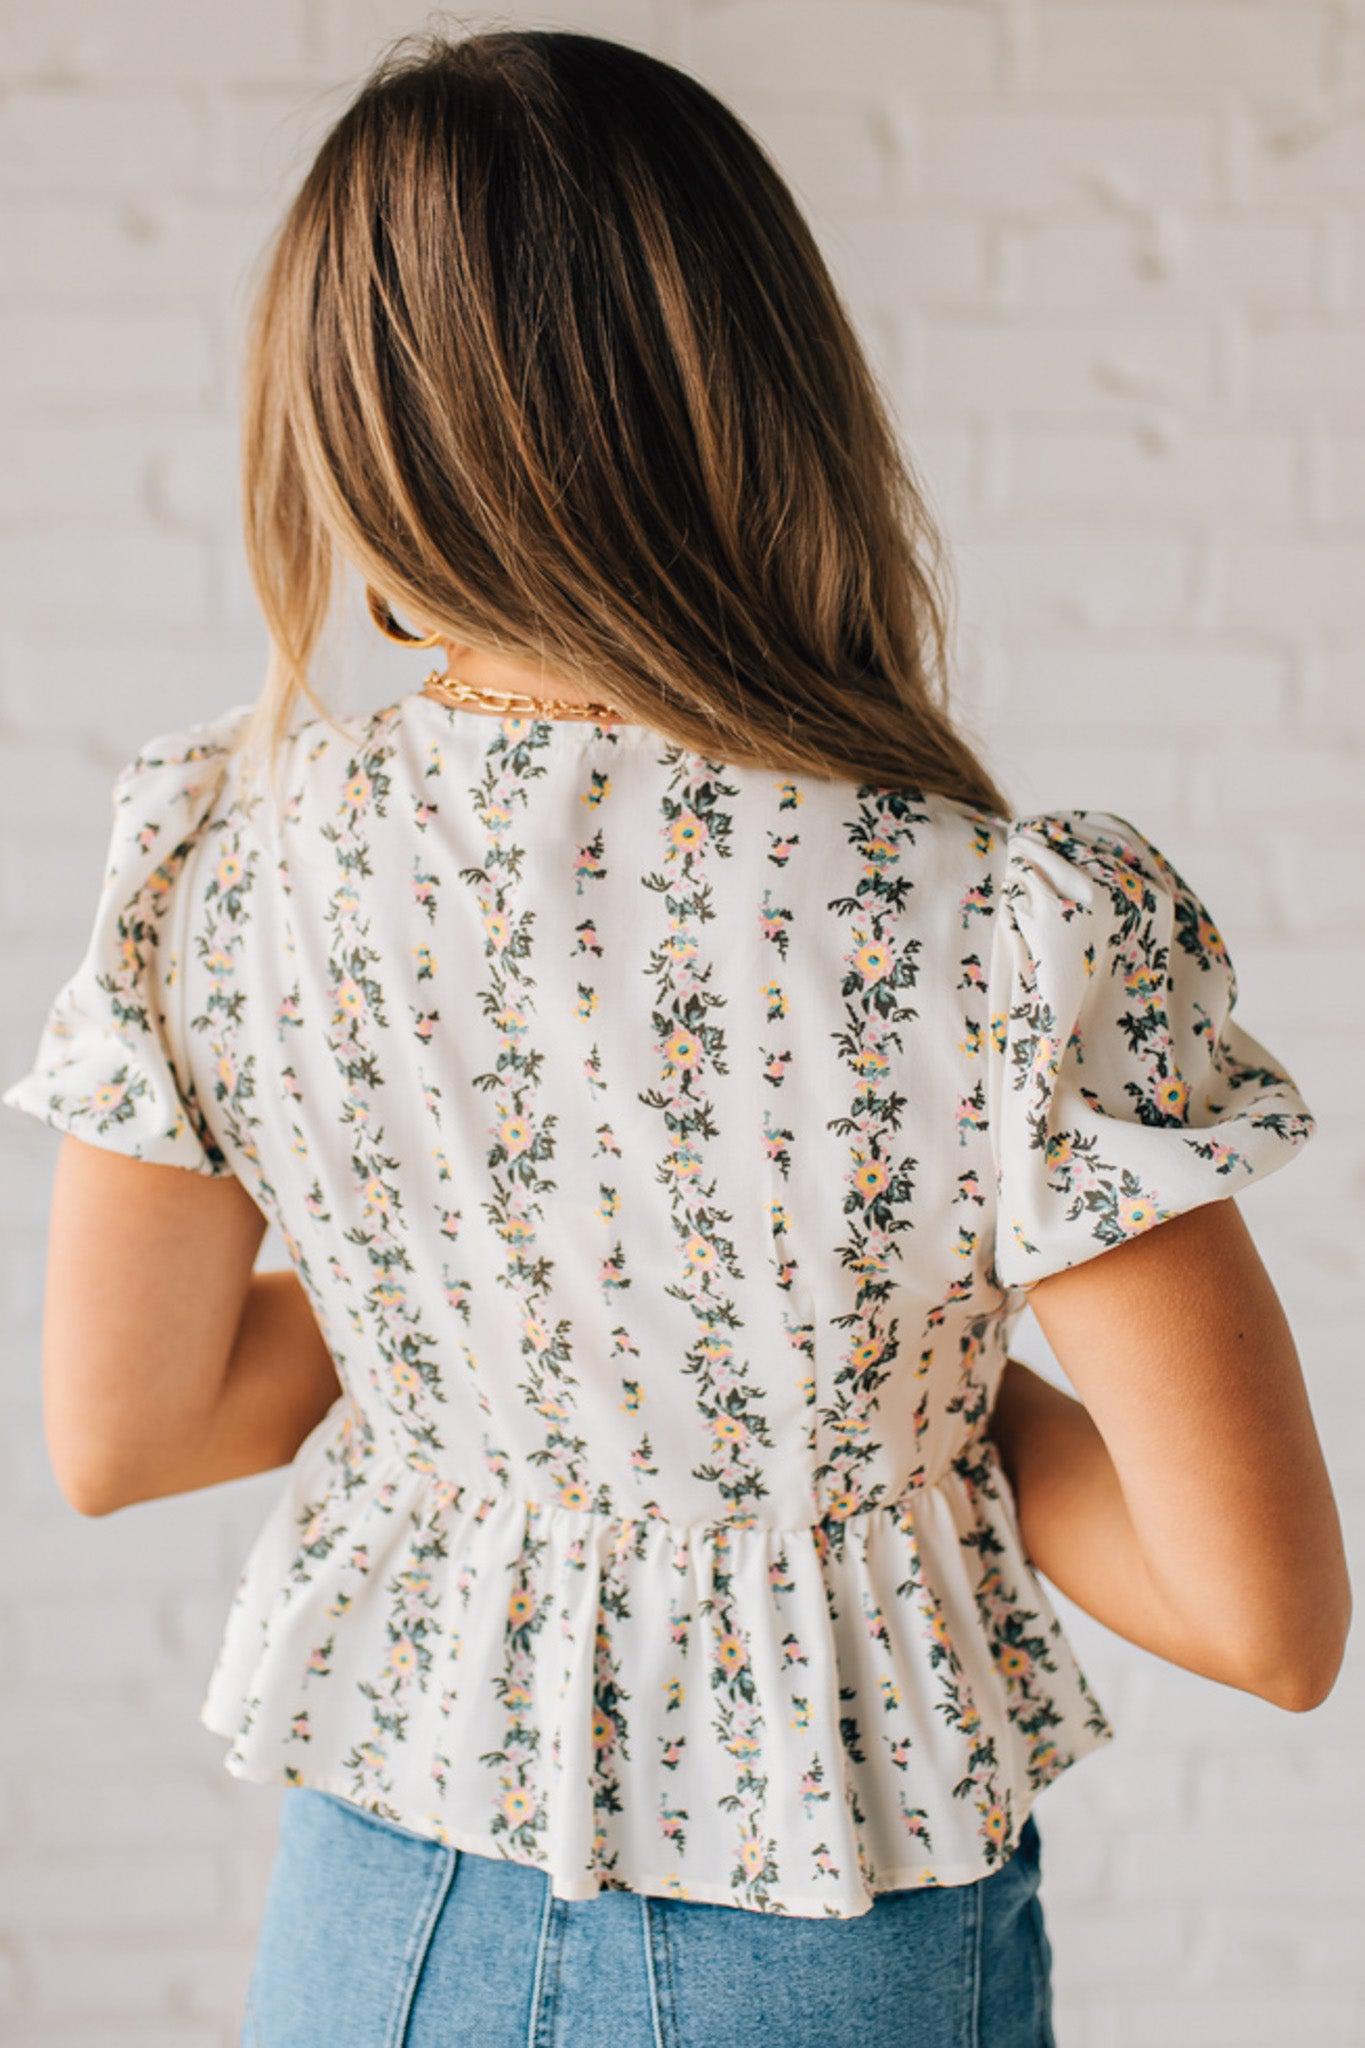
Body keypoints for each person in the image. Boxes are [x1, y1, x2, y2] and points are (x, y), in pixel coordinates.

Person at [2, 27, 1349, 2048]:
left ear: (342, 427)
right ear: (765, 396)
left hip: (386, 1906)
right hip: (820, 1926)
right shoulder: (994, 920)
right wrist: (860, 1383)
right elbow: (1260, 1616)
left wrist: (496, 1335)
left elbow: (131, 1430)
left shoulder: (228, 855)